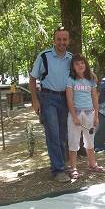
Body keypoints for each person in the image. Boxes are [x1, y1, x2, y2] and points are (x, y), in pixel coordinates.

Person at [29, 27, 72, 183]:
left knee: (62, 135)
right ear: (54, 40)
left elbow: (81, 75)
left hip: (65, 100)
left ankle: (62, 165)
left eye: (64, 39)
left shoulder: (71, 58)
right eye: (59, 39)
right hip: (48, 99)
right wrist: (35, 100)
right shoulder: (44, 56)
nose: (61, 42)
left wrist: (92, 76)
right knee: (53, 133)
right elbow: (32, 79)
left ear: (68, 41)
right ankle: (58, 170)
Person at [66, 54, 105, 179]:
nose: (80, 65)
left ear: (85, 64)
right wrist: (74, 116)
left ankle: (92, 164)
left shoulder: (91, 80)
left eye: (82, 63)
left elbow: (94, 97)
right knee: (73, 141)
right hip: (75, 114)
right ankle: (73, 168)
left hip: (89, 114)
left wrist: (96, 115)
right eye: (77, 64)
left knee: (90, 141)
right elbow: (69, 99)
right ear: (73, 67)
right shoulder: (70, 80)